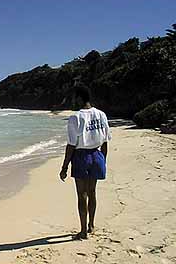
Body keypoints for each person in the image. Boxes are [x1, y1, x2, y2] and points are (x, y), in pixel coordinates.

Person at [59, 86, 111, 240]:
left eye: (75, 97)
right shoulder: (101, 114)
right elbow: (106, 141)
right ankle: (91, 225)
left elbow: (71, 144)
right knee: (92, 192)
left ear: (80, 98)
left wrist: (64, 166)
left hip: (81, 156)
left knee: (82, 195)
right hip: (97, 154)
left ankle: (83, 231)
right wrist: (103, 160)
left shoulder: (76, 117)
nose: (74, 100)